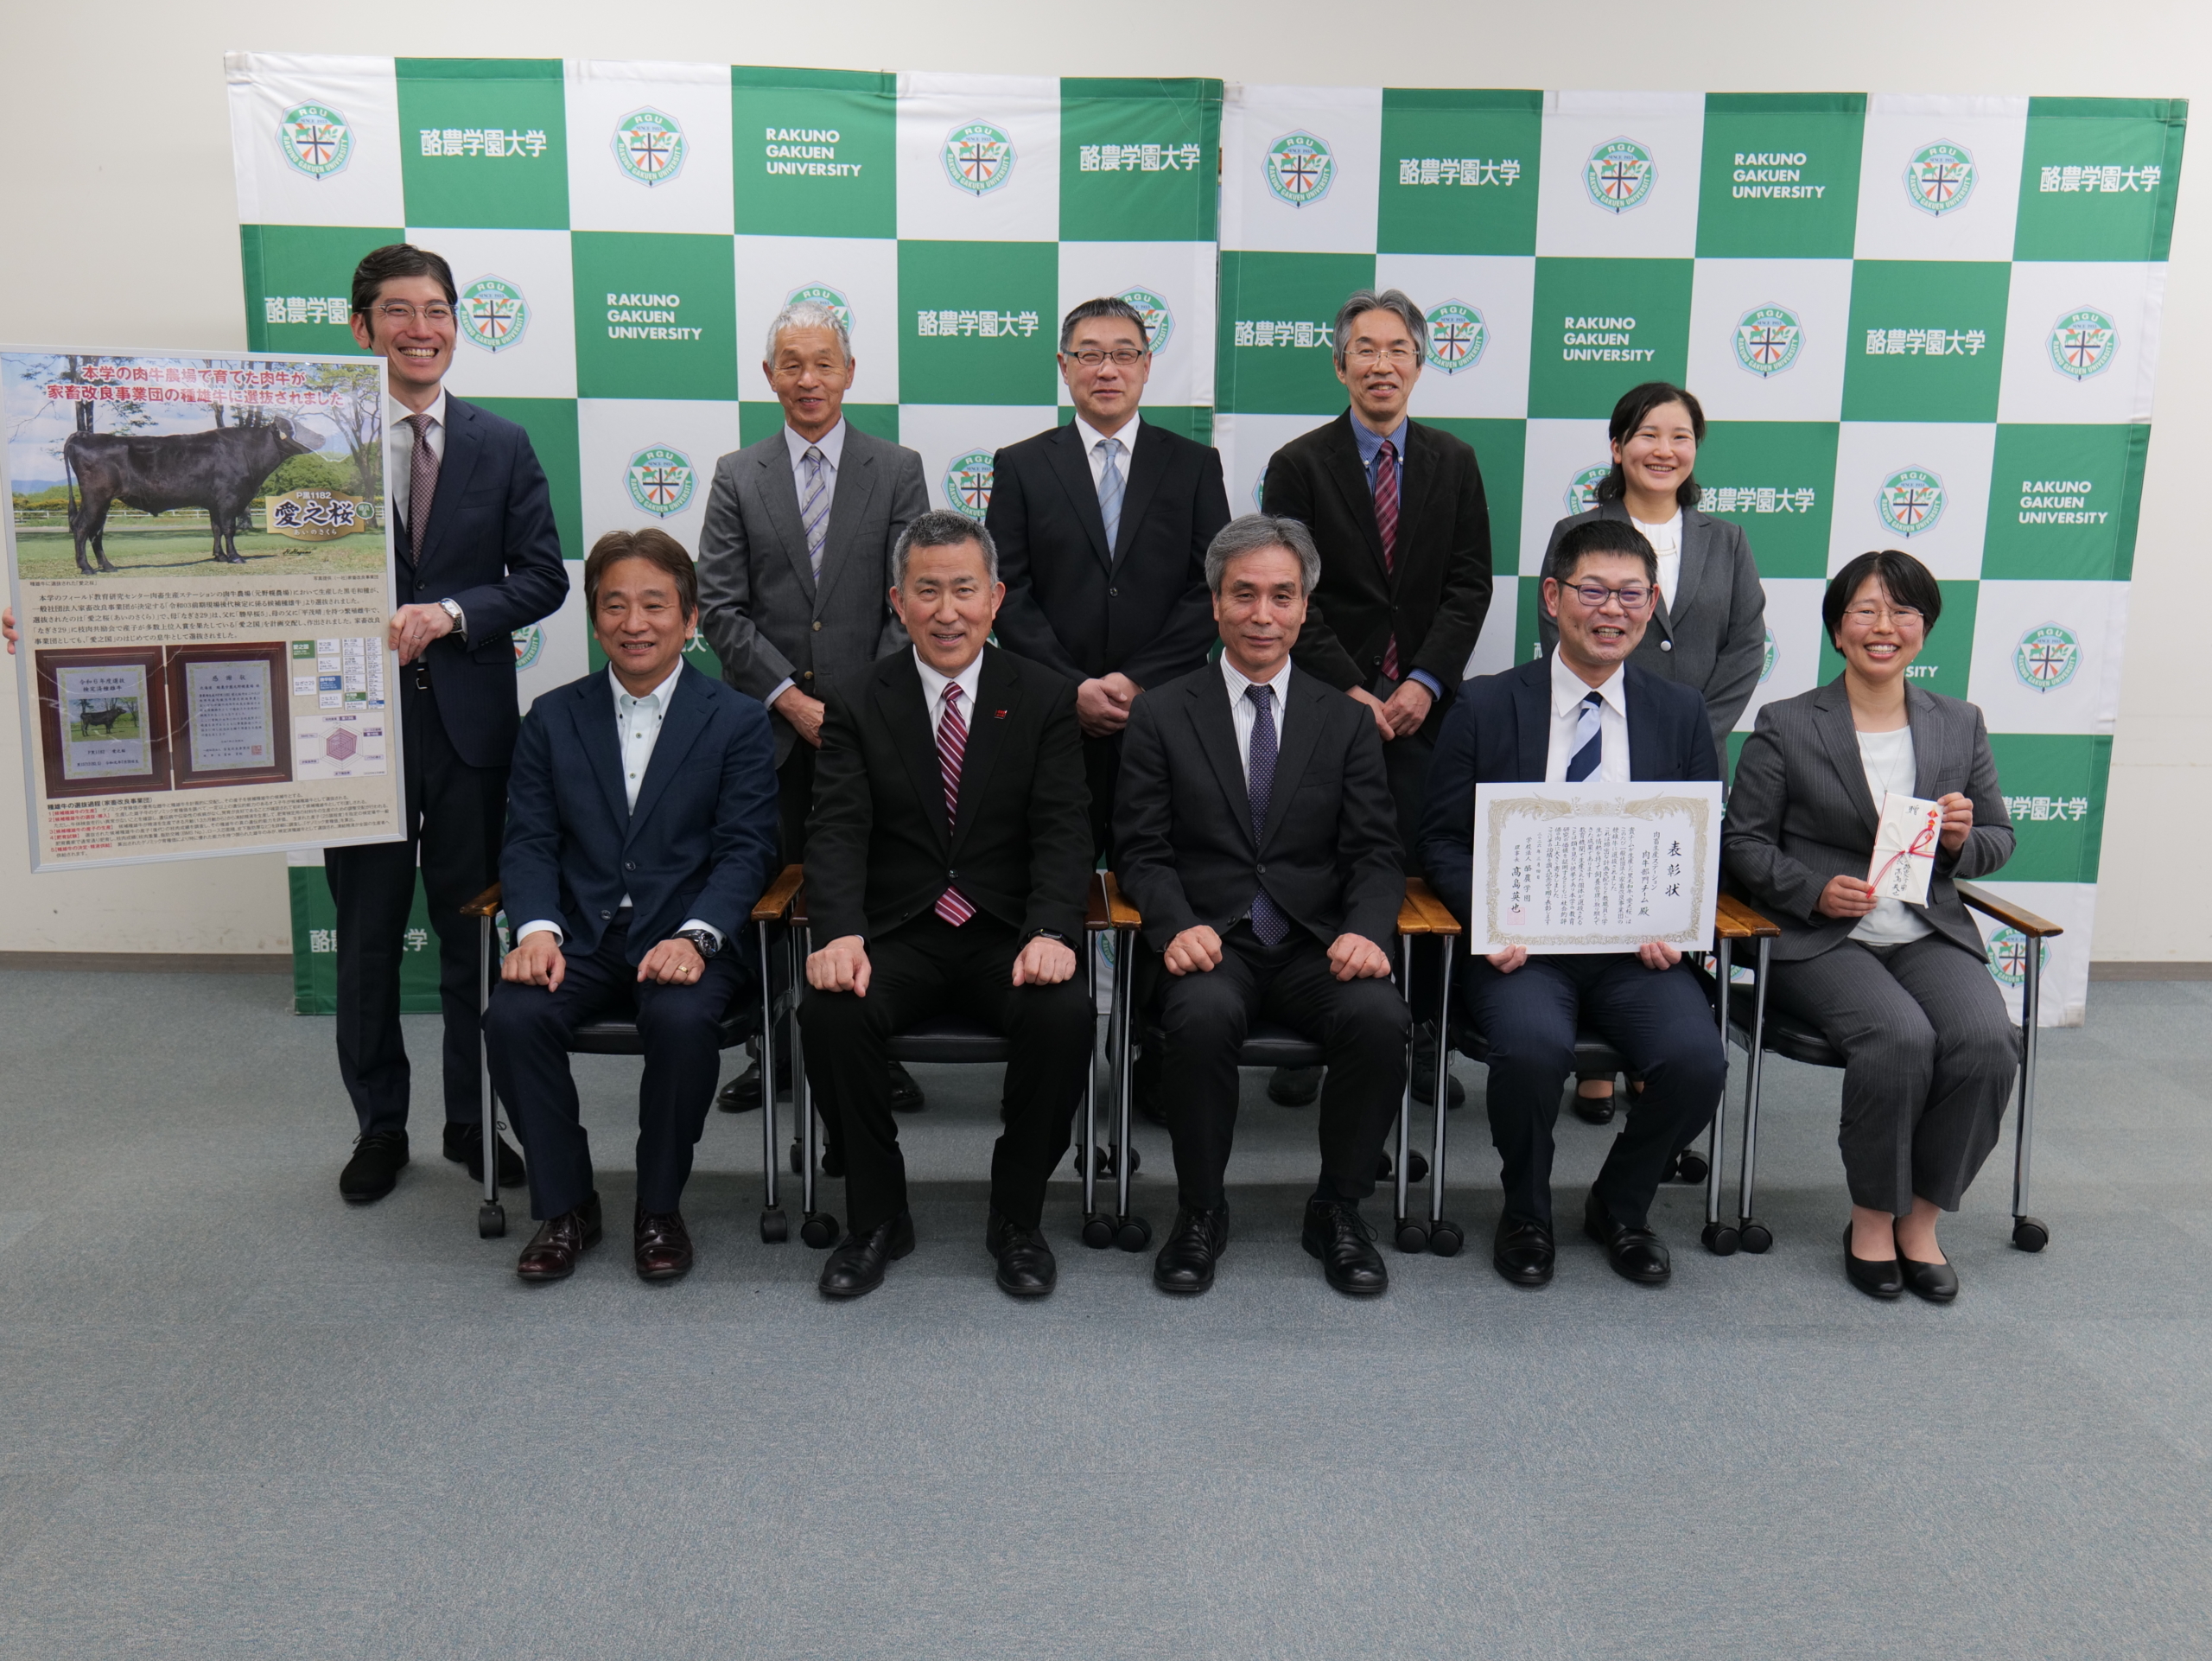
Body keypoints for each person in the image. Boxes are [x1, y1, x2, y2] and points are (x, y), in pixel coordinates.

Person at [1419, 519, 1726, 1289]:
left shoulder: (1680, 712)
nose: (1611, 610)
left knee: (1697, 1061)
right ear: (1554, 598)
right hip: (1521, 953)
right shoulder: (1486, 705)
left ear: (1652, 604)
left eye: (1630, 594)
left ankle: (1620, 1204)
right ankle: (1525, 1211)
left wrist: (1679, 924)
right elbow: (1441, 843)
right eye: (1593, 590)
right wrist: (1488, 916)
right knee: (1528, 1053)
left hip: (1637, 956)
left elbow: (1700, 841)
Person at [797, 509, 1096, 1301]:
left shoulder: (1044, 696)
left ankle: (1018, 1217)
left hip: (1006, 932)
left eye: (964, 589)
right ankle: (877, 1215)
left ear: (996, 597)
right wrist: (838, 933)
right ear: (898, 602)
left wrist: (1054, 930)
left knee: (1064, 1013)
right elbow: (835, 831)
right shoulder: (857, 698)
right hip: (900, 934)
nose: (947, 610)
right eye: (926, 591)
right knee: (830, 1011)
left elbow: (1066, 833)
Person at [1114, 515, 1410, 1299]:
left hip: (1317, 942)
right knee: (1200, 1017)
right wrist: (1174, 926)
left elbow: (1378, 853)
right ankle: (1201, 1211)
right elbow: (1139, 849)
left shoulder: (1345, 719)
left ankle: (1338, 1210)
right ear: (1214, 604)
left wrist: (1367, 931)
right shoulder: (1161, 713)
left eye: (1282, 596)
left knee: (1381, 1018)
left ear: (1305, 608)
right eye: (1244, 595)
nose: (1262, 615)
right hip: (1214, 940)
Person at [330, 244, 569, 1206]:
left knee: (473, 942)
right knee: (367, 943)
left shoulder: (501, 443)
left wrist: (454, 614)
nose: (420, 327)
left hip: (474, 735)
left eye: (437, 309)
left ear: (456, 324)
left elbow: (544, 575)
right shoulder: (322, 435)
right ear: (362, 327)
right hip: (350, 731)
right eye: (398, 310)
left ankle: (472, 1123)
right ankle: (378, 1128)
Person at [1723, 550, 2018, 1303]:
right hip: (1823, 939)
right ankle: (1869, 1219)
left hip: (1924, 929)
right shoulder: (1787, 724)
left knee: (1988, 1040)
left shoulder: (1960, 723)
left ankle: (1921, 1218)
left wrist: (1959, 839)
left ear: (1924, 629)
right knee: (1899, 1037)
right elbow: (1743, 844)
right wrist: (1816, 891)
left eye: (1903, 612)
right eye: (1865, 611)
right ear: (1836, 628)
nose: (1884, 627)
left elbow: (1998, 840)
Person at [485, 529, 779, 1283]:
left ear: (691, 619)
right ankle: (567, 1205)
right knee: (513, 1016)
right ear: (593, 620)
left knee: (681, 1021)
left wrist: (698, 935)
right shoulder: (552, 717)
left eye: (655, 604)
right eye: (614, 605)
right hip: (580, 934)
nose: (634, 622)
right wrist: (538, 929)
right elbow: (527, 841)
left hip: (684, 936)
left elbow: (748, 849)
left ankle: (659, 1208)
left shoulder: (738, 720)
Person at [1259, 289, 1491, 1111]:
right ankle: (1324, 1034)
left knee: (1424, 871)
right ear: (1340, 364)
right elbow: (1293, 598)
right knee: (1331, 862)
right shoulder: (1298, 464)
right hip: (1328, 703)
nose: (1381, 362)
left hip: (1428, 709)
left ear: (1421, 364)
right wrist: (1353, 688)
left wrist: (1424, 683)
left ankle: (1424, 1036)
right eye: (1364, 348)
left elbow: (1469, 587)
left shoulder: (1455, 461)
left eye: (1398, 348)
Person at [696, 298, 930, 1117]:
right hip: (767, 729)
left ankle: (880, 1047)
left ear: (850, 373)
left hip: (877, 728)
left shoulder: (897, 468)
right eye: (790, 364)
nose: (808, 379)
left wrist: (860, 710)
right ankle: (774, 1048)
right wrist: (791, 699)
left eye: (823, 363)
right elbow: (720, 608)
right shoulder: (737, 474)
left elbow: (911, 601)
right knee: (770, 887)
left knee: (874, 884)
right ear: (769, 377)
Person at [1541, 381, 1769, 1127]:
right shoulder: (1578, 528)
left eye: (1680, 436)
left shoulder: (1725, 540)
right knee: (1591, 879)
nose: (1663, 449)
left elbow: (1744, 647)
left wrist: (1688, 731)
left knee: (1667, 891)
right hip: (1588, 743)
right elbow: (1561, 639)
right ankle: (1594, 1068)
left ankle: (1649, 1056)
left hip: (1690, 751)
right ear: (1617, 447)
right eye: (1647, 434)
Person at [987, 296, 1232, 858]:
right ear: (1063, 365)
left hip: (1165, 714)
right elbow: (1008, 592)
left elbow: (1210, 591)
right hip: (1051, 714)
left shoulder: (1194, 466)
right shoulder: (1021, 466)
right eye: (1090, 355)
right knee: (1052, 884)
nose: (1107, 370)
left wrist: (1136, 682)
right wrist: (1073, 686)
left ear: (1146, 366)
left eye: (1124, 354)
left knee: (1159, 887)